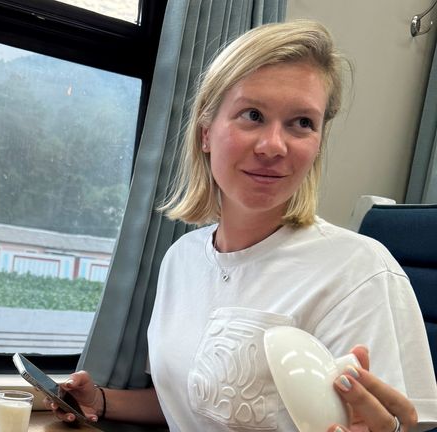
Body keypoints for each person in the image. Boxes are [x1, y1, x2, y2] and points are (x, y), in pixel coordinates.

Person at [46, 19, 437, 432]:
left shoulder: (360, 272)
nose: (273, 146)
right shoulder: (182, 259)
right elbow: (192, 400)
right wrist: (102, 401)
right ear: (206, 133)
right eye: (252, 115)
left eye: (302, 122)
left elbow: (383, 421)